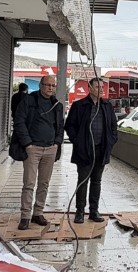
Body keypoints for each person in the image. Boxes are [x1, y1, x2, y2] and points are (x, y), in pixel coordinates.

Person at [12, 74, 64, 230]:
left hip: (50, 149)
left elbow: (60, 126)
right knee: (29, 183)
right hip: (32, 148)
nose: (50, 88)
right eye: (47, 85)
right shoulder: (28, 101)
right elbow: (19, 121)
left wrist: (57, 143)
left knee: (44, 183)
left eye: (53, 86)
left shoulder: (57, 105)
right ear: (41, 85)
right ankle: (25, 216)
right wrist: (27, 143)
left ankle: (38, 213)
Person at [65, 77, 118, 223]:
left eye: (102, 87)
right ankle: (80, 211)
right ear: (90, 88)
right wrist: (78, 141)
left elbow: (114, 126)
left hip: (101, 149)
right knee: (83, 181)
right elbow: (70, 126)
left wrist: (111, 141)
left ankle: (94, 211)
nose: (101, 89)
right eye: (98, 87)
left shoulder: (107, 106)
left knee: (97, 181)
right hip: (84, 151)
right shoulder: (79, 106)